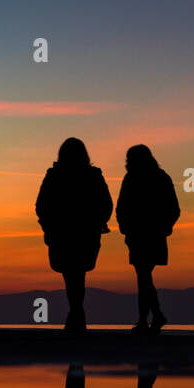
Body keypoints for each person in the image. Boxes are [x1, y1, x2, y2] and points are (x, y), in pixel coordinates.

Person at [35, 138, 113, 333]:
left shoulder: (55, 176)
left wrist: (48, 225)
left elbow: (42, 205)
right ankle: (76, 313)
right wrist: (98, 222)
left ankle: (76, 313)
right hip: (82, 232)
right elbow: (106, 203)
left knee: (72, 273)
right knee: (76, 273)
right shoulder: (91, 176)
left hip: (65, 233)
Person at [115, 144, 180, 334]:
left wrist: (126, 227)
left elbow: (122, 206)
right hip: (144, 234)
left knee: (143, 276)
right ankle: (151, 317)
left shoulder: (136, 178)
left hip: (144, 234)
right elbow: (174, 209)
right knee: (144, 276)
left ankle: (148, 318)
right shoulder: (161, 178)